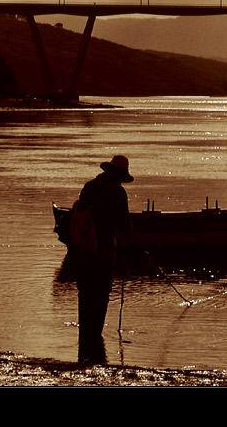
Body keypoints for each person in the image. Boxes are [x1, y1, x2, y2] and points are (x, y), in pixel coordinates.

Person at [75, 155, 133, 363]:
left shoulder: (89, 187)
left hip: (82, 252)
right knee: (100, 296)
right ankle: (95, 344)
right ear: (119, 175)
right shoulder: (117, 192)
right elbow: (125, 225)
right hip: (103, 253)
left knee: (84, 293)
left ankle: (85, 345)